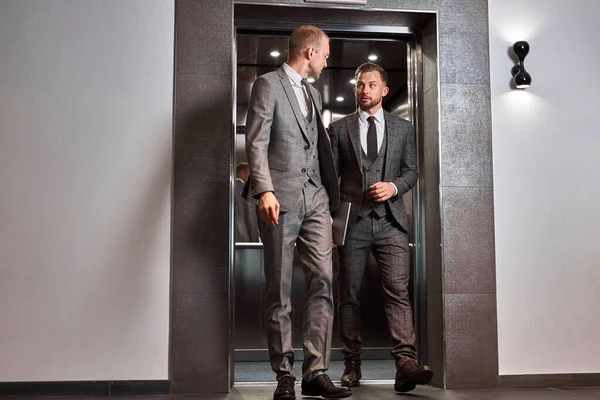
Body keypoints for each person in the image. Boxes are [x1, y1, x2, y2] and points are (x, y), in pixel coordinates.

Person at [243, 25, 350, 400]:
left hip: (316, 197)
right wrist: (265, 189)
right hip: (281, 198)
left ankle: (316, 372)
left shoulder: (315, 94)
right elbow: (256, 141)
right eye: (325, 53)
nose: (327, 60)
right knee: (280, 287)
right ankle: (284, 374)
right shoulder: (268, 85)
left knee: (323, 279)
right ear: (310, 52)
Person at [328, 62, 433, 393]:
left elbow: (412, 172)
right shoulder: (339, 128)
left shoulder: (403, 129)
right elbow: (331, 178)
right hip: (352, 224)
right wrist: (330, 220)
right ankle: (351, 365)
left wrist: (394, 187)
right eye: (360, 85)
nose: (365, 90)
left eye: (371, 85)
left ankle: (405, 364)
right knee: (349, 297)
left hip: (392, 223)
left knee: (398, 294)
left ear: (384, 91)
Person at [234, 162, 260, 243]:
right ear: (241, 173)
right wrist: (255, 241)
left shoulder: (227, 189)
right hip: (244, 239)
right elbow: (250, 216)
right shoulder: (247, 190)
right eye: (250, 174)